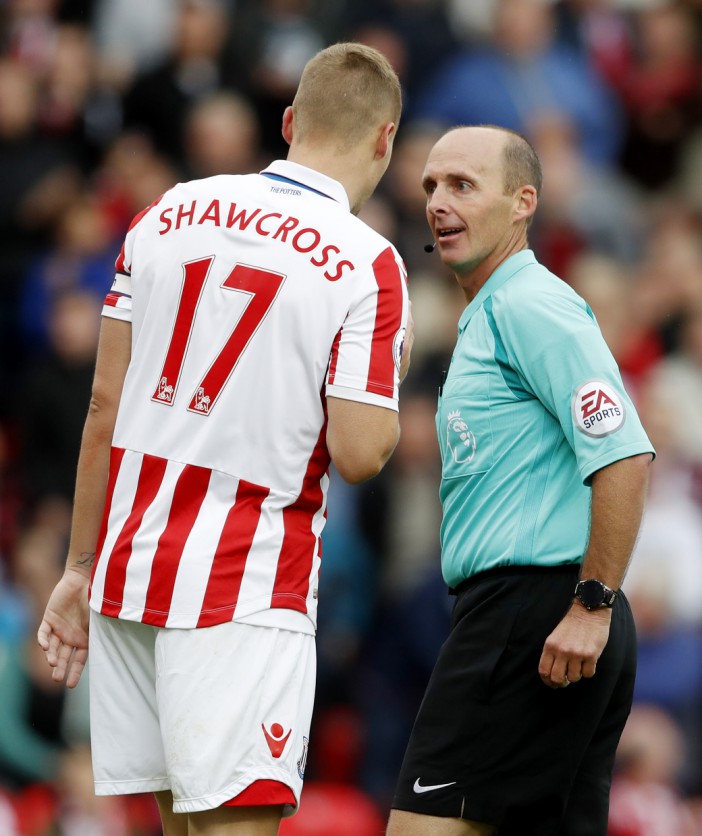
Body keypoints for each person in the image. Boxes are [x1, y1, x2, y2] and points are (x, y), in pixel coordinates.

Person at [37, 42, 411, 836]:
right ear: (385, 140)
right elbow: (359, 451)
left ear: (287, 122)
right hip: (243, 587)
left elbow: (103, 403)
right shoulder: (365, 261)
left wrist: (78, 567)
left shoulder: (168, 210)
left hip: (132, 570)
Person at [387, 125, 654, 836]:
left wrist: (591, 604)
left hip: (537, 610)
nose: (438, 202)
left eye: (463, 185)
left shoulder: (530, 304)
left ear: (522, 202)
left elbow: (624, 455)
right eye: (431, 187)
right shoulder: (489, 314)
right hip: (549, 611)